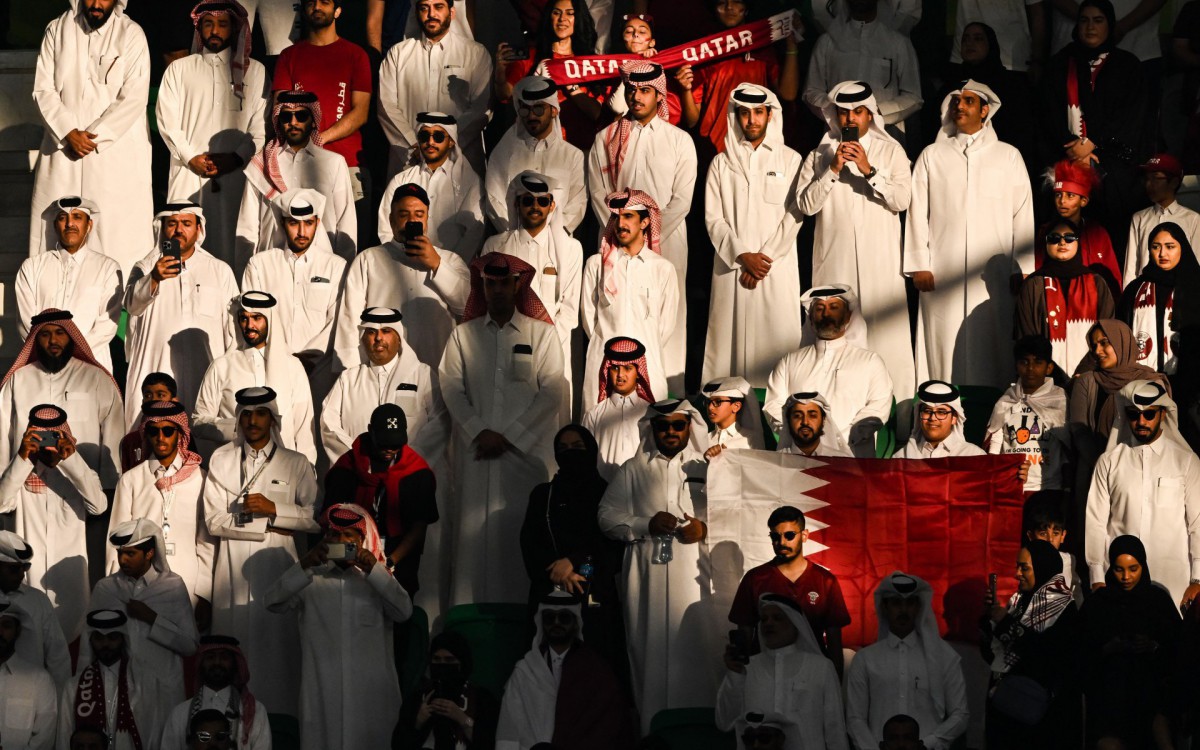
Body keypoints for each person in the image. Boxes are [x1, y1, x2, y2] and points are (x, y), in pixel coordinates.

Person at [439, 253, 566, 606]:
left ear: (517, 285)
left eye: (503, 283)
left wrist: (509, 437)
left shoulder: (541, 335)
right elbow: (451, 386)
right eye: (490, 283)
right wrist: (479, 431)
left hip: (524, 458)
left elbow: (552, 391)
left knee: (520, 537)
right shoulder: (463, 337)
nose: (496, 289)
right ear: (483, 285)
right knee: (473, 543)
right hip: (476, 454)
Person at [905, 79, 1034, 388]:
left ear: (985, 110)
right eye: (956, 102)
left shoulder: (1008, 156)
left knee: (995, 342)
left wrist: (1023, 268)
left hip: (996, 273)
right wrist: (919, 263)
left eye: (968, 101)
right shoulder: (932, 156)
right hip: (942, 269)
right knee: (942, 343)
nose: (959, 107)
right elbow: (917, 213)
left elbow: (1023, 214)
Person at [598, 398, 716, 730]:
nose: (670, 431)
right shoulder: (632, 469)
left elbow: (733, 517)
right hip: (645, 577)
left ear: (689, 427)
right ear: (652, 428)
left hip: (693, 577)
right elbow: (606, 518)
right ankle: (653, 732)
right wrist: (644, 524)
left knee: (693, 649)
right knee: (647, 651)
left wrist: (704, 528)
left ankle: (694, 731)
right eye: (663, 426)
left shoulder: (705, 468)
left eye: (678, 425)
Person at [204, 386, 319, 717]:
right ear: (238, 419)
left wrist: (275, 509)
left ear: (273, 419)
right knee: (234, 641)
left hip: (277, 566)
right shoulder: (222, 459)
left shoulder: (295, 463)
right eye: (246, 415)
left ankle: (280, 721)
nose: (252, 421)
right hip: (230, 564)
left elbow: (312, 518)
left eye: (260, 414)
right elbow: (213, 521)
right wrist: (268, 525)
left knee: (277, 650)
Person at [797, 81, 914, 401]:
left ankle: (895, 419)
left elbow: (902, 200)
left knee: (886, 341)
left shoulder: (892, 150)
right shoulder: (819, 153)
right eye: (843, 113)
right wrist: (832, 168)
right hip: (835, 263)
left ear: (870, 115)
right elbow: (806, 206)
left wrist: (869, 170)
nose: (850, 119)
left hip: (880, 266)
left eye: (858, 112)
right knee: (834, 346)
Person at [586, 61, 697, 394]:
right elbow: (597, 193)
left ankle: (665, 398)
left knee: (667, 323)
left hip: (668, 244)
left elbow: (682, 199)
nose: (637, 97)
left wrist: (650, 236)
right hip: (615, 243)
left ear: (659, 94)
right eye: (632, 90)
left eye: (645, 91)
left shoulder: (679, 141)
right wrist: (625, 234)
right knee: (613, 316)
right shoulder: (605, 139)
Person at [265, 503, 413, 750]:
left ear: (361, 542)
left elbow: (404, 612)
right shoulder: (311, 578)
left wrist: (374, 570)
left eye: (349, 536)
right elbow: (272, 602)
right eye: (335, 535)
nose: (341, 541)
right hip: (323, 691)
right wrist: (305, 563)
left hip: (370, 695)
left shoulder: (376, 578)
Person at [28, 0, 153, 278]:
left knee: (116, 236)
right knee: (56, 231)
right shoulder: (57, 31)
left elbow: (134, 96)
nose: (96, 4)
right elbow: (43, 89)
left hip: (113, 155)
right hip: (64, 152)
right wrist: (68, 132)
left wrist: (95, 137)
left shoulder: (131, 34)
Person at [703, 83, 805, 389]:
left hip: (775, 268)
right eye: (744, 113)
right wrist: (742, 256)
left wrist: (764, 259)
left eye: (758, 113)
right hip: (732, 269)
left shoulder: (790, 160)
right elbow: (713, 218)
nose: (751, 120)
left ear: (770, 116)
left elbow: (795, 214)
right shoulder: (721, 163)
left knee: (777, 348)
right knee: (727, 349)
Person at [156, 0, 268, 264]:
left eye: (222, 24)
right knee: (177, 239)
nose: (215, 30)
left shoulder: (256, 72)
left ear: (235, 28)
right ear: (199, 28)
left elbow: (261, 127)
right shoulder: (179, 69)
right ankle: (171, 294)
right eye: (208, 24)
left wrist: (236, 158)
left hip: (238, 175)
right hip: (187, 173)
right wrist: (190, 157)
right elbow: (167, 121)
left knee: (236, 245)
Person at [1040, 0, 1150, 252]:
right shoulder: (1060, 64)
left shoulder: (1127, 65)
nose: (1090, 27)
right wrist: (1072, 149)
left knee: (1111, 239)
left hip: (1113, 166)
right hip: (1066, 161)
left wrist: (1092, 144)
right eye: (1084, 20)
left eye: (1098, 20)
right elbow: (1047, 112)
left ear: (1110, 26)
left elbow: (1132, 116)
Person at [124, 203, 240, 427]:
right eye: (172, 224)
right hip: (156, 369)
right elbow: (132, 306)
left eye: (186, 224)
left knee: (204, 437)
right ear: (163, 228)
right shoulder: (144, 267)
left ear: (198, 229)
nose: (179, 230)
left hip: (206, 372)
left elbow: (234, 329)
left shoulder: (219, 270)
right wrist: (155, 278)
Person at [1086, 380, 1200, 608]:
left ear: (1163, 414)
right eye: (1133, 415)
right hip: (1120, 583)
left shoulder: (1186, 461)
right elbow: (1096, 522)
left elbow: (1197, 522)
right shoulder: (1108, 462)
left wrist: (1197, 578)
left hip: (1174, 581)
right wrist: (1097, 577)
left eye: (1149, 414)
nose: (1141, 422)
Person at [335, 183, 471, 370]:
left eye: (419, 215)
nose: (411, 221)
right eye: (404, 214)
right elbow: (349, 320)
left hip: (437, 370)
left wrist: (436, 264)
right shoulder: (368, 259)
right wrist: (350, 373)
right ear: (391, 220)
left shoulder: (450, 259)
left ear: (427, 220)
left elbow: (466, 305)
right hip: (382, 373)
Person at [0, 405, 106, 644]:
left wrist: (71, 460)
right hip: (29, 580)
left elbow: (98, 506)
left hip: (69, 584)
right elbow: (1, 503)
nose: (47, 445)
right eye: (41, 437)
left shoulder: (81, 474)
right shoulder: (17, 473)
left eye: (53, 437)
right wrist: (22, 458)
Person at [520, 425, 624, 662]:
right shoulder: (543, 495)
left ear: (591, 450)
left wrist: (576, 564)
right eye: (563, 448)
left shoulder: (608, 493)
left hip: (595, 597)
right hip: (549, 593)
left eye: (578, 447)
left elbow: (613, 546)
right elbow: (530, 544)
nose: (571, 453)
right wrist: (557, 572)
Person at [91, 519, 202, 735]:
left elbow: (189, 645)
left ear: (150, 553)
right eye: (120, 553)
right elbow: (90, 643)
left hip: (162, 690)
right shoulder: (106, 588)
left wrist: (152, 618)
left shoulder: (172, 586)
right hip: (116, 689)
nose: (123, 560)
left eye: (130, 554)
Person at [110, 399, 213, 618]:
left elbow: (206, 542)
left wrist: (206, 594)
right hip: (140, 586)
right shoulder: (131, 480)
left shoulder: (200, 478)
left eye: (168, 430)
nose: (160, 437)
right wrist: (115, 592)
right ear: (146, 434)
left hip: (188, 581)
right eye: (153, 431)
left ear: (180, 433)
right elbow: (117, 542)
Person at [273, 0, 373, 227]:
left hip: (348, 163)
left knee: (351, 243)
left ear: (338, 10)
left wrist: (321, 138)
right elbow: (280, 108)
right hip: (298, 163)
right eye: (311, 2)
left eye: (325, 1)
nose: (317, 6)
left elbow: (361, 112)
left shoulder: (356, 55)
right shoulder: (289, 56)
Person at [324, 404, 440, 597]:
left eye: (395, 445)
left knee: (400, 617)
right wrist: (348, 558)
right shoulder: (347, 468)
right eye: (384, 443)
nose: (389, 450)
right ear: (370, 431)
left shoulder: (416, 472)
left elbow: (419, 527)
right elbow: (331, 521)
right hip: (351, 557)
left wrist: (389, 562)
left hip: (399, 559)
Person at [0, 309, 123, 490]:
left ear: (71, 336)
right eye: (45, 334)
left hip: (83, 490)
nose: (53, 341)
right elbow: (3, 435)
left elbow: (113, 433)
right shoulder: (18, 379)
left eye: (60, 333)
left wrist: (109, 488)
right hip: (27, 491)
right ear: (36, 339)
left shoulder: (95, 378)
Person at [495, 591, 636, 750]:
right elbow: (509, 729)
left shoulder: (596, 670)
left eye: (564, 618)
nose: (556, 623)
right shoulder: (525, 671)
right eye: (549, 618)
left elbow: (608, 727)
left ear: (576, 623)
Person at [764, 285, 893, 458]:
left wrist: (837, 442)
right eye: (819, 309)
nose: (826, 314)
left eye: (834, 308)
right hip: (799, 457)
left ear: (847, 316)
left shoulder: (870, 361)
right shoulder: (789, 362)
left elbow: (878, 406)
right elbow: (773, 405)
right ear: (811, 318)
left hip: (852, 456)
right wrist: (802, 438)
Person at [240, 189, 347, 398]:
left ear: (317, 223)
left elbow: (338, 321)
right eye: (293, 223)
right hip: (271, 369)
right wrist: (283, 360)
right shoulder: (260, 265)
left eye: (308, 223)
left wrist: (309, 358)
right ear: (282, 224)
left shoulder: (336, 266)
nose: (301, 231)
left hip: (321, 371)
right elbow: (252, 318)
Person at [235, 89, 357, 271]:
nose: (293, 122)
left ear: (313, 121)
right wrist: (244, 274)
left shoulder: (333, 163)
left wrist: (344, 273)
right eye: (286, 117)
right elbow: (248, 227)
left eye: (301, 116)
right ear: (278, 121)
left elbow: (345, 222)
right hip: (271, 266)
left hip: (321, 266)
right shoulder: (261, 165)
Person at [846, 572, 969, 750]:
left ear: (918, 607)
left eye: (909, 603)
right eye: (896, 603)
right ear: (885, 607)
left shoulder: (943, 656)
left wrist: (928, 743)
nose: (903, 610)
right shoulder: (866, 659)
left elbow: (960, 714)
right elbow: (855, 718)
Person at [481, 172, 582, 388]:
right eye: (528, 200)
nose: (535, 206)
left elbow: (569, 310)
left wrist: (544, 340)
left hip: (553, 346)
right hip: (506, 344)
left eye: (542, 201)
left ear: (552, 206)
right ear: (517, 204)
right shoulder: (495, 246)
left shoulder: (570, 249)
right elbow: (487, 300)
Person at [192, 291, 318, 463]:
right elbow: (198, 421)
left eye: (257, 318)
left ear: (269, 320)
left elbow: (304, 428)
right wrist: (237, 428)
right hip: (234, 466)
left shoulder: (293, 367)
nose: (249, 325)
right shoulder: (221, 366)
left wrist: (308, 470)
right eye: (244, 318)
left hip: (283, 467)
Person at [1080, 535, 1180, 748]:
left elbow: (1178, 648)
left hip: (1151, 696)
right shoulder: (1098, 604)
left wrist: (1153, 647)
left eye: (1133, 569)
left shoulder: (1157, 601)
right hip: (1109, 699)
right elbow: (1078, 652)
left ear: (1143, 566)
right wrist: (1108, 649)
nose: (1126, 577)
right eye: (1119, 569)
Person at [580, 189, 679, 405]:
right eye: (616, 217)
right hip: (603, 360)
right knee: (598, 427)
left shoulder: (662, 268)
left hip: (647, 361)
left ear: (644, 222)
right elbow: (589, 319)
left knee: (646, 429)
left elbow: (666, 326)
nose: (620, 223)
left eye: (628, 216)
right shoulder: (596, 265)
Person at [321, 307, 449, 469]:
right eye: (372, 332)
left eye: (386, 331)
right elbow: (328, 424)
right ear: (363, 338)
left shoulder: (422, 375)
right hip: (359, 476)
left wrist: (405, 461)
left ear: (399, 338)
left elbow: (440, 421)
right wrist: (360, 460)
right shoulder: (348, 379)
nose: (378, 338)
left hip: (409, 475)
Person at [727, 505, 850, 675]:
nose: (782, 542)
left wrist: (835, 683)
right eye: (775, 536)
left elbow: (834, 640)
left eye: (789, 535)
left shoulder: (825, 581)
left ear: (804, 536)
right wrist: (743, 678)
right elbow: (745, 634)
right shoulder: (755, 579)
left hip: (812, 674)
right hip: (767, 673)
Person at [715, 594, 848, 750]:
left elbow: (835, 730)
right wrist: (735, 675)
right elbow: (725, 722)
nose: (769, 623)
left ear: (796, 624)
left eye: (777, 618)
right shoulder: (747, 668)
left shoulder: (821, 667)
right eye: (764, 619)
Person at [981, 540, 1080, 749]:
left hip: (1041, 719)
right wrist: (989, 620)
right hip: (1008, 712)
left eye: (1024, 567)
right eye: (1017, 566)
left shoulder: (1063, 608)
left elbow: (1047, 655)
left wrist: (1006, 623)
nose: (1017, 573)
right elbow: (994, 656)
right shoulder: (1018, 602)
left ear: (1043, 566)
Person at [378, 0, 492, 175]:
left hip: (461, 162)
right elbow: (386, 106)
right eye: (424, 8)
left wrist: (447, 144)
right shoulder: (398, 54)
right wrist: (415, 145)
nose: (431, 14)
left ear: (452, 13)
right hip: (410, 162)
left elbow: (482, 107)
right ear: (417, 13)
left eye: (438, 7)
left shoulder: (475, 53)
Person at [674, 1, 800, 153]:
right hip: (715, 148)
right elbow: (692, 120)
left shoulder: (761, 45)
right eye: (722, 2)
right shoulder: (705, 51)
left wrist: (792, 48)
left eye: (737, 1)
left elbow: (788, 93)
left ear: (746, 7)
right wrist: (685, 90)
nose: (729, 7)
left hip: (757, 146)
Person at [16, 196, 123, 372]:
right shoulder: (32, 267)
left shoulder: (107, 267)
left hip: (91, 364)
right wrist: (51, 353)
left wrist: (75, 353)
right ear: (54, 225)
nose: (69, 224)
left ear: (89, 225)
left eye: (77, 217)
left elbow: (108, 323)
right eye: (63, 218)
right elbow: (26, 321)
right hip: (43, 364)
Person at [493, 0, 605, 153]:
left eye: (570, 13)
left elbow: (597, 114)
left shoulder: (589, 63)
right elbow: (505, 94)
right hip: (536, 151)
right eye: (556, 12)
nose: (562, 18)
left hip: (581, 150)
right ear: (549, 17)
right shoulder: (531, 58)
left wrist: (568, 82)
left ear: (578, 18)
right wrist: (500, 71)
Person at [803, 0, 921, 141]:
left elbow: (913, 96)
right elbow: (811, 91)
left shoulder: (898, 43)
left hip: (886, 136)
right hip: (838, 134)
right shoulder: (827, 42)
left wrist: (876, 112)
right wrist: (835, 110)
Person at [375, 111, 485, 259]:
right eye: (424, 136)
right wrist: (403, 260)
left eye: (438, 137)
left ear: (451, 141)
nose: (430, 142)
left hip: (452, 270)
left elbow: (475, 231)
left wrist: (448, 266)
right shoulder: (401, 180)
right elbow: (386, 228)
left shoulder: (469, 181)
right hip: (405, 264)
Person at [484, 76, 587, 233]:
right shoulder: (505, 152)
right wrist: (514, 234)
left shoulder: (573, 156)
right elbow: (494, 198)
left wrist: (551, 238)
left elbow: (577, 204)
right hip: (513, 242)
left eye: (538, 109)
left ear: (554, 110)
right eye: (525, 109)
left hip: (558, 246)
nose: (531, 116)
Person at [1016, 218, 1116, 375]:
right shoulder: (1033, 285)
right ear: (1046, 244)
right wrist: (1053, 373)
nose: (1062, 243)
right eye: (1054, 238)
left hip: (1091, 376)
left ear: (1078, 243)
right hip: (1044, 377)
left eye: (1069, 238)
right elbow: (1027, 337)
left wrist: (1085, 371)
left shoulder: (1097, 282)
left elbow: (1108, 331)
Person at [1067, 319, 1169, 462]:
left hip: (1142, 466)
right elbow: (1080, 430)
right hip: (1095, 468)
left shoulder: (1150, 381)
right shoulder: (1087, 381)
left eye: (1104, 342)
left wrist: (1127, 467)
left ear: (1122, 342)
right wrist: (1103, 464)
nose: (1097, 351)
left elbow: (1159, 431)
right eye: (1094, 345)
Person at [59, 610, 155, 750]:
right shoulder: (74, 685)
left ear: (123, 639)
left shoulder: (142, 681)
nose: (105, 644)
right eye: (99, 638)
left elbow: (152, 730)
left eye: (112, 637)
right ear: (90, 640)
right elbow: (64, 735)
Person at [984, 337, 1070, 493]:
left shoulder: (1059, 401)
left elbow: (1068, 450)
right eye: (1024, 362)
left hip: (1048, 489)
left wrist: (1066, 490)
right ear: (1016, 367)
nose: (1030, 368)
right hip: (1010, 488)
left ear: (1049, 367)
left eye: (1037, 362)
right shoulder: (1006, 400)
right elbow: (994, 447)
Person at [160, 635, 271, 750]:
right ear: (201, 663)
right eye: (210, 657)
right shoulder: (179, 714)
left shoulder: (255, 711)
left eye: (224, 657)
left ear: (235, 664)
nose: (217, 663)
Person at [1120, 223, 1200, 376]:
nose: (1162, 253)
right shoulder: (1135, 289)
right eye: (1156, 247)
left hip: (1190, 379)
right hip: (1142, 379)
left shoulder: (1195, 286)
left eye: (1170, 247)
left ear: (1182, 248)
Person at [399, 630, 500, 749]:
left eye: (449, 660)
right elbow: (399, 744)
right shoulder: (417, 698)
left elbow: (491, 744)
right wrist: (419, 721)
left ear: (462, 663)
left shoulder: (482, 699)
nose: (442, 665)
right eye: (436, 659)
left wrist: (462, 719)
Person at [1033, 159, 1120, 289]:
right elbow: (1037, 274)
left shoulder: (1097, 233)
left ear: (1083, 201)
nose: (1062, 201)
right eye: (1058, 195)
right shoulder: (1046, 232)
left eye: (1070, 196)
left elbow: (1112, 278)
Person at [0, 532, 72, 687]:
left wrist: (59, 704)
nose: (21, 575)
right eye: (14, 569)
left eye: (25, 567)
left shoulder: (37, 601)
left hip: (29, 695)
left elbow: (57, 657)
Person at [582, 336, 657, 481]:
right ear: (608, 371)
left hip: (641, 491)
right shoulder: (594, 415)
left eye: (628, 368)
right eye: (615, 368)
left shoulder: (652, 413)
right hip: (604, 493)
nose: (620, 375)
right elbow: (585, 459)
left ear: (638, 373)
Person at [1124, 154, 1200, 284]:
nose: (1149, 184)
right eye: (1147, 179)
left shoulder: (1192, 219)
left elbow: (1196, 262)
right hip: (1146, 296)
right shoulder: (1139, 218)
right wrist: (1129, 297)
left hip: (1179, 295)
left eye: (1156, 179)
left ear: (1174, 182)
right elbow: (1131, 266)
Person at [897, 381, 986, 458]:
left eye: (941, 412)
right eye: (927, 411)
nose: (932, 418)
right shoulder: (903, 456)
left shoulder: (974, 456)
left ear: (954, 418)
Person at [776, 392, 853, 457]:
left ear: (823, 420)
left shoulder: (841, 462)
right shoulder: (774, 461)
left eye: (812, 415)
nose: (805, 422)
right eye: (797, 416)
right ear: (788, 420)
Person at [702, 376, 765, 457]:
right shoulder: (705, 440)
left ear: (736, 406)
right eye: (708, 402)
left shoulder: (751, 440)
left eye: (718, 402)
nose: (710, 407)